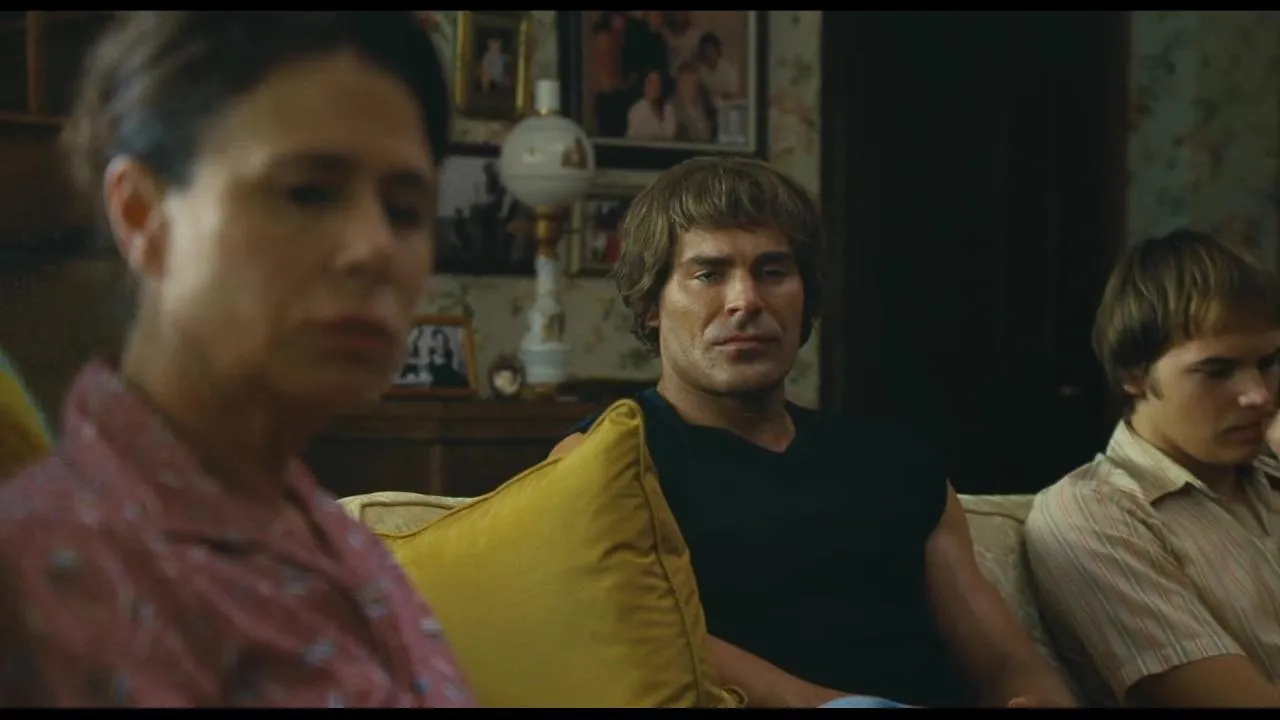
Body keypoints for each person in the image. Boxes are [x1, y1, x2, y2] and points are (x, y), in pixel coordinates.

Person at [0, 11, 475, 708]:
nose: (373, 249)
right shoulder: (47, 569)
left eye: (404, 210)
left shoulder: (334, 540)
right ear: (142, 214)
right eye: (307, 193)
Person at [548, 156, 1076, 708]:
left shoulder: (895, 462)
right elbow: (626, 631)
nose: (746, 300)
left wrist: (1036, 698)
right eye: (709, 274)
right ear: (651, 304)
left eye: (773, 271)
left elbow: (1006, 664)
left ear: (806, 298)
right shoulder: (604, 458)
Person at [1024, 229, 1280, 708]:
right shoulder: (1095, 513)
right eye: (1217, 371)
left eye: (1269, 363)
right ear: (1133, 375)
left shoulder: (1270, 471)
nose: (1259, 396)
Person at [625, 70, 675, 141]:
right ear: (645, 86)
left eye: (658, 83)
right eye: (651, 83)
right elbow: (634, 135)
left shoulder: (668, 109)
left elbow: (670, 134)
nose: (655, 87)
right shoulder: (636, 110)